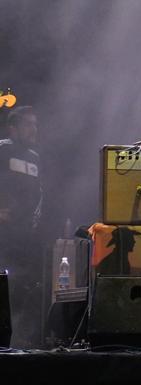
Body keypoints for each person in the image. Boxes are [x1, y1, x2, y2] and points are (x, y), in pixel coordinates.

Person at [0, 105, 43, 348]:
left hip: (25, 236)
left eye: (35, 124)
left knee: (23, 287)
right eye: (27, 124)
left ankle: (16, 342)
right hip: (3, 235)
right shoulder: (2, 149)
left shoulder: (35, 158)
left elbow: (38, 194)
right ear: (12, 128)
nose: (33, 129)